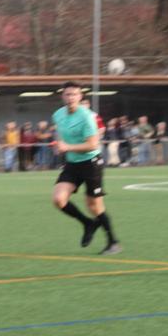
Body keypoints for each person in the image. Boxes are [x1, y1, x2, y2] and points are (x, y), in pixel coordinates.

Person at [50, 81, 120, 254]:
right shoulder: (58, 115)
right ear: (63, 96)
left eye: (74, 94)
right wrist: (58, 145)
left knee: (94, 206)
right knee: (59, 199)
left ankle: (113, 242)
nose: (71, 97)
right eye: (67, 94)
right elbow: (61, 135)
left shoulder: (87, 116)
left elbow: (93, 144)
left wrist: (68, 147)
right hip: (72, 164)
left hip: (91, 163)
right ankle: (87, 223)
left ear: (80, 96)